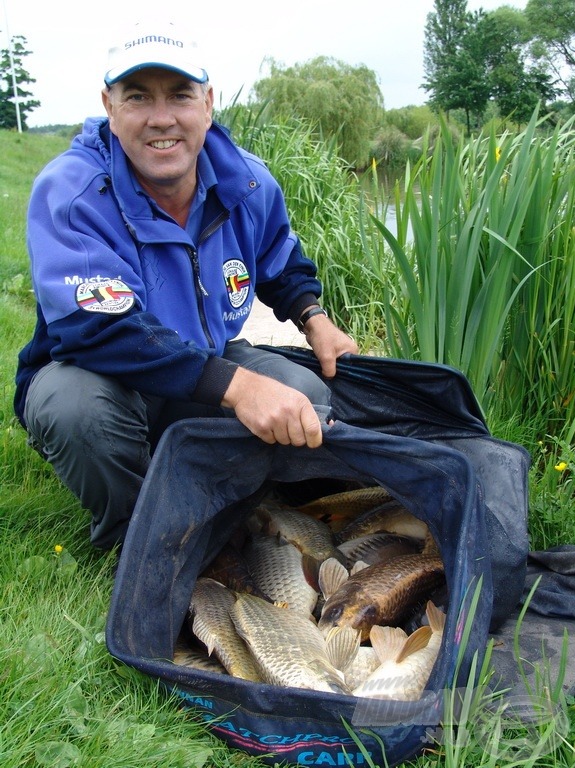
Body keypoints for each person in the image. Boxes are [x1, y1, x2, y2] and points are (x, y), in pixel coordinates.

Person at [13, 19, 358, 550]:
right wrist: (239, 387)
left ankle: (228, 502)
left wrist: (315, 319)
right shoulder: (72, 191)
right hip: (101, 375)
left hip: (201, 365)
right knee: (76, 411)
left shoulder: (247, 180)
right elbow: (97, 330)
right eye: (137, 98)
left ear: (208, 103)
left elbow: (278, 257)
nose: (161, 118)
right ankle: (136, 540)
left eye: (179, 95)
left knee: (306, 397)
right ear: (109, 105)